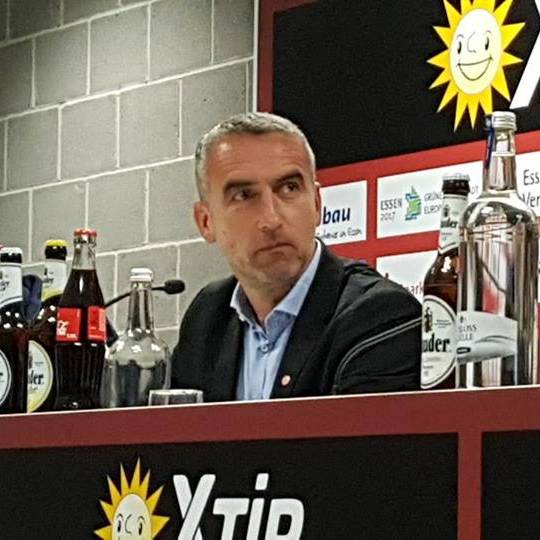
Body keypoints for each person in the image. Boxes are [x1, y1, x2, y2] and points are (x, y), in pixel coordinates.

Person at [171, 112, 421, 401]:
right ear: (206, 222)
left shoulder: (380, 315)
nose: (271, 219)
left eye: (288, 188)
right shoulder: (207, 317)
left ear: (316, 204)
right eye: (244, 195)